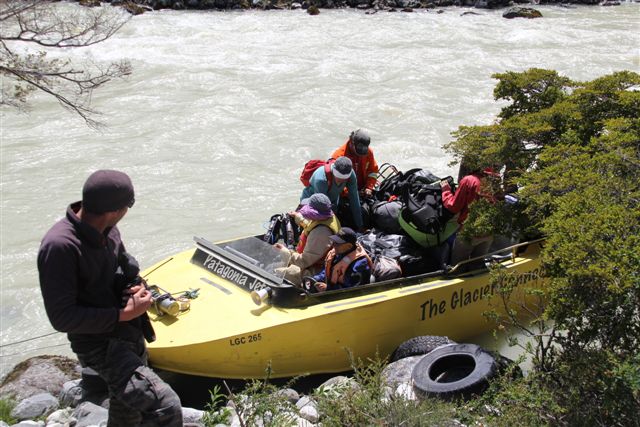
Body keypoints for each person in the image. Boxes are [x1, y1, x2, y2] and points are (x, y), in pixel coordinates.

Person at [37, 170, 183, 427]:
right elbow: (62, 317)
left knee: (127, 409)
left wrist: (137, 290)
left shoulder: (109, 231)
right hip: (101, 345)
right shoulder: (60, 247)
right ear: (116, 210)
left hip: (129, 334)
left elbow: (124, 270)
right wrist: (122, 314)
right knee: (164, 404)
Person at [440, 167, 501, 269]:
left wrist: (446, 190)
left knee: (458, 267)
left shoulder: (469, 180)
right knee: (477, 265)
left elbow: (453, 207)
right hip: (489, 231)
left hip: (470, 231)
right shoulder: (496, 182)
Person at [274, 193, 341, 286]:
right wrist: (299, 218)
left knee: (276, 272)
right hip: (308, 260)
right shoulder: (329, 216)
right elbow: (311, 226)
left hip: (315, 269)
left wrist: (287, 253)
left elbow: (304, 261)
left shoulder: (321, 232)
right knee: (277, 263)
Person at [300, 156, 363, 230]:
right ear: (333, 172)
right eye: (338, 178)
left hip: (332, 200)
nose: (340, 181)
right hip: (312, 203)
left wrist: (360, 225)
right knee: (319, 226)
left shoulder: (351, 174)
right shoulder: (321, 179)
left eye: (344, 179)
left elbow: (354, 199)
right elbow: (322, 206)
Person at [306, 227, 373, 293]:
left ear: (349, 246)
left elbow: (351, 290)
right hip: (333, 291)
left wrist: (328, 289)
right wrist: (316, 279)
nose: (333, 245)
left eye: (337, 243)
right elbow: (326, 271)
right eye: (334, 241)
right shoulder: (338, 253)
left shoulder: (358, 265)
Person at [331, 129, 379, 198]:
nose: (362, 151)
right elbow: (336, 182)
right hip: (345, 193)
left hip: (363, 189)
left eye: (364, 148)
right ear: (351, 142)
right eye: (360, 148)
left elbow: (373, 172)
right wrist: (351, 193)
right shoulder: (339, 157)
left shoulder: (368, 152)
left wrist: (369, 187)